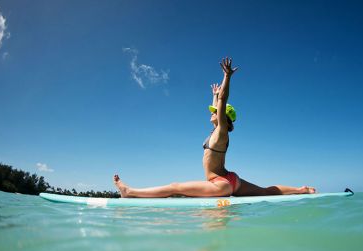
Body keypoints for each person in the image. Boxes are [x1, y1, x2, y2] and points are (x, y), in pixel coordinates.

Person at [113, 57, 316, 198]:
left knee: (176, 187)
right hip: (230, 179)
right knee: (264, 191)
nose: (211, 113)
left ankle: (129, 192)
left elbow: (222, 104)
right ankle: (301, 189)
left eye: (215, 111)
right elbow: (217, 107)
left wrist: (226, 78)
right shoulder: (216, 131)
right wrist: (215, 95)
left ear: (223, 116)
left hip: (220, 184)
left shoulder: (221, 131)